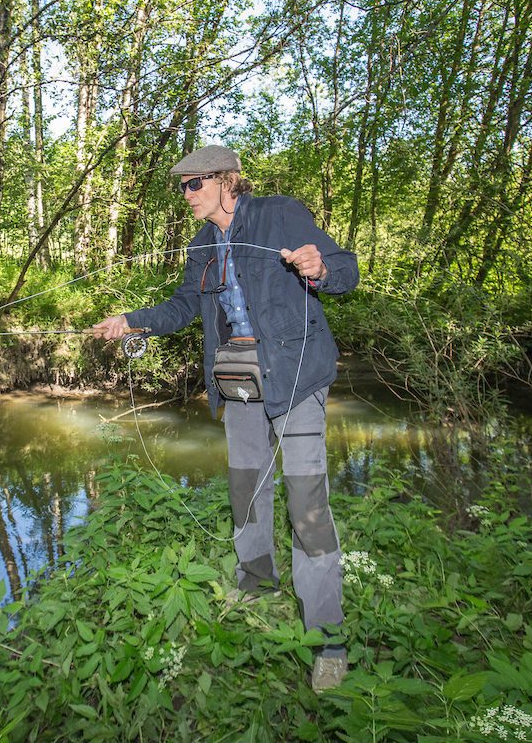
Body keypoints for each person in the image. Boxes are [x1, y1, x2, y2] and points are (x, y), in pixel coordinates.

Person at [91, 144, 359, 691]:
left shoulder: (279, 212)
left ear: (226, 180)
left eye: (193, 184)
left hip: (295, 372)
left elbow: (345, 270)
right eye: (182, 187)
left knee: (307, 501)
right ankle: (256, 582)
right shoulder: (201, 243)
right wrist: (132, 321)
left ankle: (328, 639)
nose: (185, 195)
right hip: (238, 379)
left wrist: (319, 266)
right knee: (245, 487)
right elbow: (185, 305)